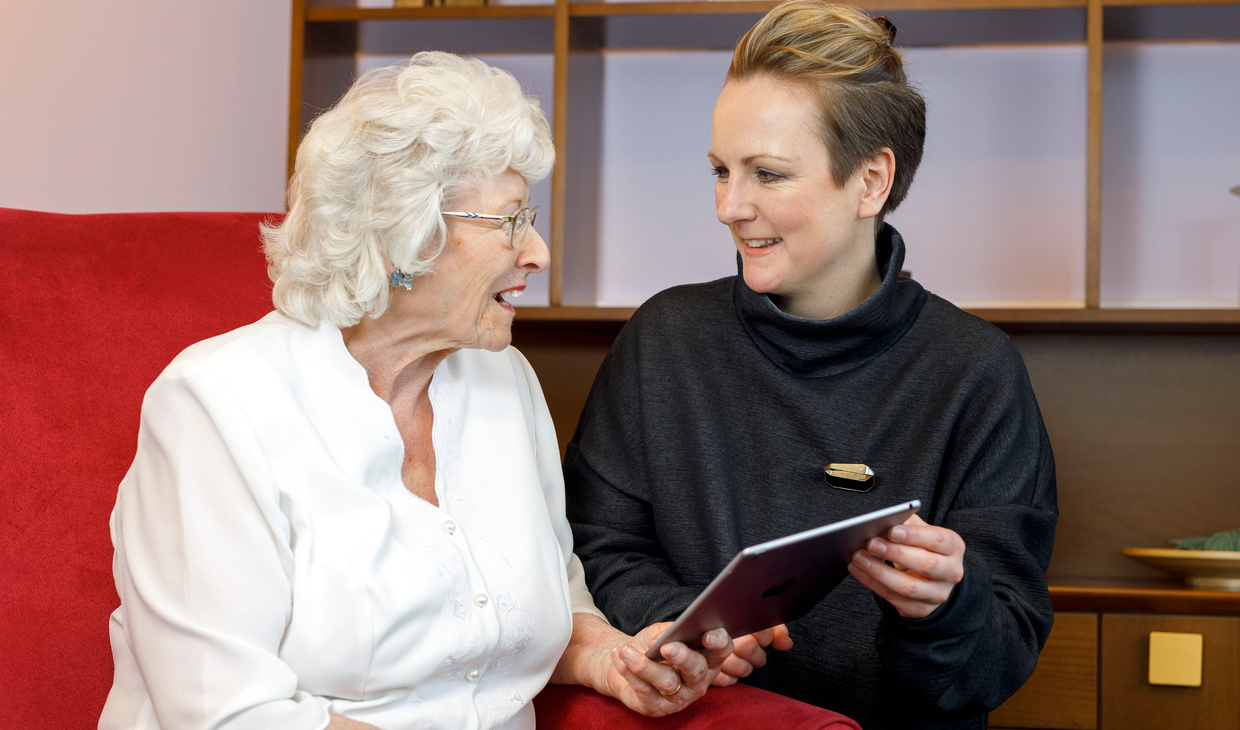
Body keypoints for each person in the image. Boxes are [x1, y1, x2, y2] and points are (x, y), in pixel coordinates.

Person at [99, 52, 733, 730]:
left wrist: (617, 661)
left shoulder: (504, 381)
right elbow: (226, 714)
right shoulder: (215, 406)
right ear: (400, 240)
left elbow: (550, 603)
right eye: (510, 220)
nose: (539, 252)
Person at [564, 3, 1059, 729]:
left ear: (870, 181)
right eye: (721, 170)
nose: (731, 206)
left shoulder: (976, 373)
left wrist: (946, 606)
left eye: (768, 174)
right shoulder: (663, 340)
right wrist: (683, 626)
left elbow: (993, 667)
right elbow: (596, 548)